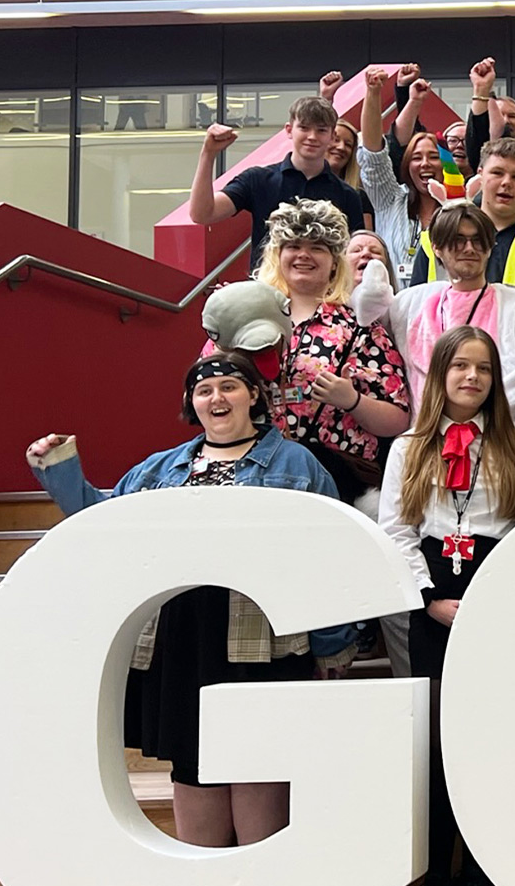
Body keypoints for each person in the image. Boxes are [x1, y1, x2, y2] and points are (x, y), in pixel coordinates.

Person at [25, 352, 347, 849]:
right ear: (192, 404)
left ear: (255, 396)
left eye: (230, 386)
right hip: (181, 636)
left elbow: (329, 557)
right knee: (191, 760)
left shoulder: (296, 463)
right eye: (204, 390)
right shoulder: (160, 469)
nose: (217, 397)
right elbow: (106, 524)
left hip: (258, 636)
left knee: (258, 757)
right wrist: (59, 469)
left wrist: (332, 645)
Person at [378, 327, 515, 886]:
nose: (472, 378)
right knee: (437, 743)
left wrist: (495, 597)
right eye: (461, 368)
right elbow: (395, 529)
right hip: (434, 600)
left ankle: (479, 873)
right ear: (440, 374)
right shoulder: (410, 447)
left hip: (493, 592)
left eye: (484, 369)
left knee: (487, 738)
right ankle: (435, 881)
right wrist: (430, 600)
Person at [229, 199, 410, 510]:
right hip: (253, 474)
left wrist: (352, 400)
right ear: (277, 255)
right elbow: (208, 386)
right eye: (293, 245)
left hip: (338, 484)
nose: (303, 255)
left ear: (334, 261)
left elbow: (398, 418)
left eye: (317, 247)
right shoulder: (246, 317)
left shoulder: (360, 327)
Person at [392, 202, 515, 490]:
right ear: (437, 248)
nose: (469, 248)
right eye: (458, 240)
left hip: (496, 455)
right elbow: (367, 322)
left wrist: (494, 413)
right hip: (428, 451)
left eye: (478, 241)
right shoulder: (412, 303)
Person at [188, 96, 366, 272]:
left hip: (324, 294)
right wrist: (208, 154)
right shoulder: (257, 179)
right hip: (267, 291)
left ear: (332, 135)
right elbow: (203, 214)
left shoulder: (347, 194)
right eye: (304, 128)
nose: (312, 137)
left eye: (321, 130)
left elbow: (352, 252)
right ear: (289, 130)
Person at [410, 138, 515, 310]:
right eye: (497, 173)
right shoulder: (433, 241)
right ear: (480, 176)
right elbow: (415, 311)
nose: (506, 182)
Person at [357, 68, 442, 284]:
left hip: (440, 312)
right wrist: (373, 94)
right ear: (406, 165)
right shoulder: (390, 199)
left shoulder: (458, 208)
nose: (425, 163)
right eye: (416, 157)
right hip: (392, 312)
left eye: (433, 157)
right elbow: (373, 154)